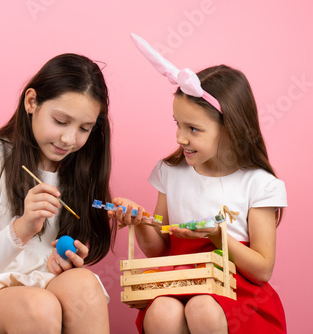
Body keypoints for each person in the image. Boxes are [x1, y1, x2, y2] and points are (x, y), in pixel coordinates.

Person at [0, 53, 116, 334]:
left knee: (84, 285)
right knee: (39, 307)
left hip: (41, 284)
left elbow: (46, 261)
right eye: (61, 121)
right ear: (31, 102)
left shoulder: (79, 170)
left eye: (84, 128)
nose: (69, 139)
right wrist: (22, 228)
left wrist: (62, 262)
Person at [112, 64, 287, 334]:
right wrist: (140, 221)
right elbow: (161, 251)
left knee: (202, 307)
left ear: (230, 128)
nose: (180, 137)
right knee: (161, 312)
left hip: (235, 292)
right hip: (179, 281)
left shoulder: (259, 184)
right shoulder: (170, 172)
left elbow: (262, 270)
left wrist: (218, 236)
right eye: (178, 124)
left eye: (193, 129)